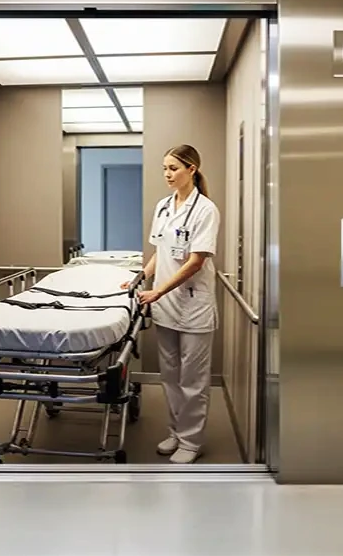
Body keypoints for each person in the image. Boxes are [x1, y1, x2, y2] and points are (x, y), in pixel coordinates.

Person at [121, 144, 220, 464]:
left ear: (192, 169)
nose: (167, 174)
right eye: (164, 168)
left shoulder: (205, 210)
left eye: (174, 168)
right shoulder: (163, 206)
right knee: (170, 376)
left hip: (193, 306)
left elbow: (196, 261)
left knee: (193, 380)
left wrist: (158, 291)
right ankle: (176, 432)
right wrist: (140, 277)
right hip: (165, 306)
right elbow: (159, 252)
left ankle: (191, 441)